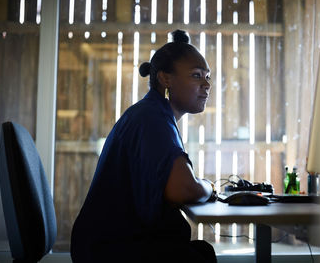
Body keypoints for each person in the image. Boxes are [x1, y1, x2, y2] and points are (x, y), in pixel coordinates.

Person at [70, 29, 217, 263]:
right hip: (111, 251)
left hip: (109, 245)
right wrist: (210, 188)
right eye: (197, 75)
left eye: (208, 76)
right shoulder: (152, 118)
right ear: (165, 78)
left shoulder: (154, 113)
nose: (207, 84)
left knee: (202, 252)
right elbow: (183, 189)